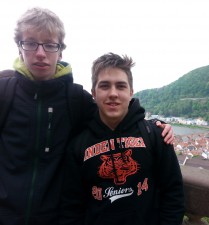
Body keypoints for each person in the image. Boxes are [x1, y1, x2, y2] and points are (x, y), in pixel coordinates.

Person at [0, 7, 174, 225]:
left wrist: (156, 125)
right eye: (31, 42)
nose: (41, 53)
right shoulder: (4, 93)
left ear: (60, 51)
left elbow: (116, 114)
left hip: (54, 217)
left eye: (50, 44)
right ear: (19, 47)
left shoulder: (75, 99)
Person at [59, 53, 185, 225]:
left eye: (120, 86)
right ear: (93, 93)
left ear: (131, 92)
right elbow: (71, 206)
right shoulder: (78, 145)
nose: (113, 93)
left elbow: (173, 193)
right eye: (104, 86)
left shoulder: (155, 134)